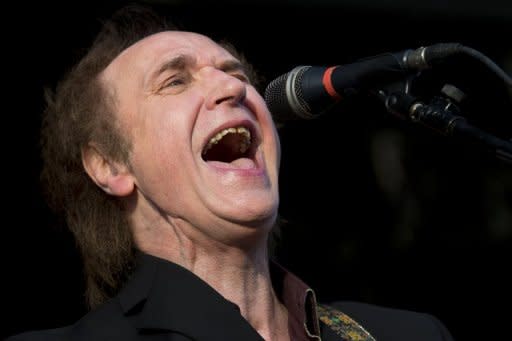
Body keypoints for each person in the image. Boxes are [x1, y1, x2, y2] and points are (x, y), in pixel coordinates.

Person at [7, 4, 454, 341]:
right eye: (175, 81)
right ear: (109, 164)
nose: (233, 87)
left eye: (233, 72)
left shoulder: (410, 334)